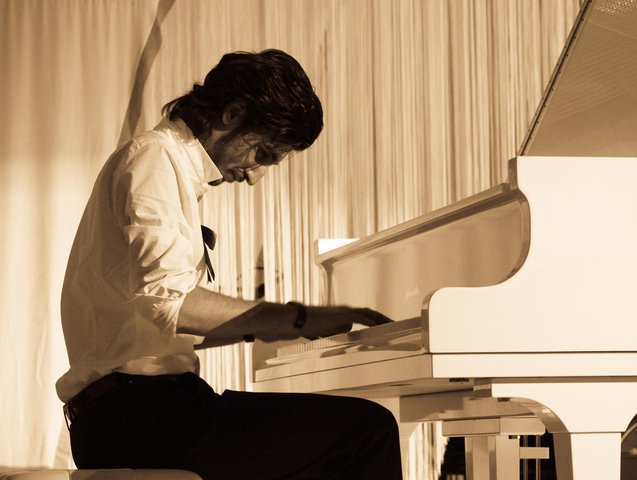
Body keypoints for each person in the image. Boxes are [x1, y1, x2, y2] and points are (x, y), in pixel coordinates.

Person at [57, 49, 403, 480]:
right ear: (233, 113)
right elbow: (171, 303)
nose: (256, 176)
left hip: (135, 413)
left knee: (326, 444)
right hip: (139, 416)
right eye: (264, 153)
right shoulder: (154, 159)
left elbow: (159, 326)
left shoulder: (164, 166)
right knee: (367, 431)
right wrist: (299, 317)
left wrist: (282, 327)